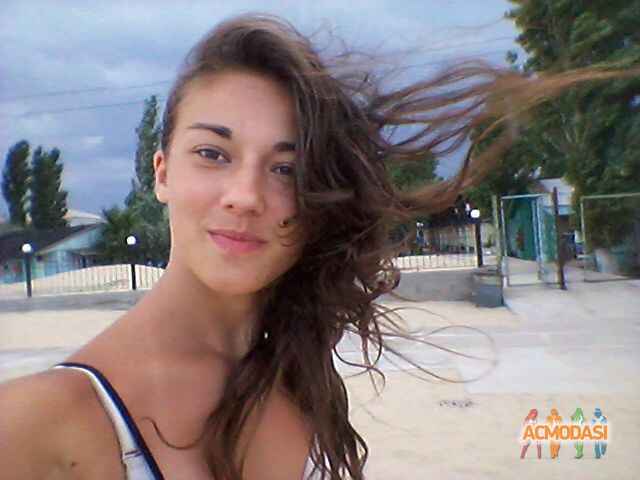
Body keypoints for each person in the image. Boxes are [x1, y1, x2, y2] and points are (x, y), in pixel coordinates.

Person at [0, 13, 628, 480]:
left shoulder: (297, 374)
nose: (246, 196)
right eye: (213, 153)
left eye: (286, 168)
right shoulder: (39, 422)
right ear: (161, 172)